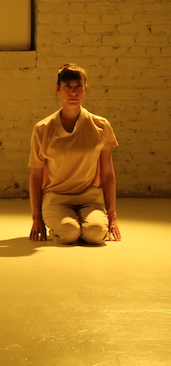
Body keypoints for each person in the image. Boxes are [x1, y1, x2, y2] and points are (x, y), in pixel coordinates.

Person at [28, 63, 121, 245]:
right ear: (58, 89)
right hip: (56, 198)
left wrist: (112, 218)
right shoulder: (43, 129)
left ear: (85, 88)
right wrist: (36, 218)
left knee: (95, 234)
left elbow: (108, 174)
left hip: (91, 198)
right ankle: (65, 223)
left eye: (78, 86)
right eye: (67, 86)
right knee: (69, 234)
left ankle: (89, 222)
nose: (73, 92)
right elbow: (36, 175)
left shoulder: (101, 126)